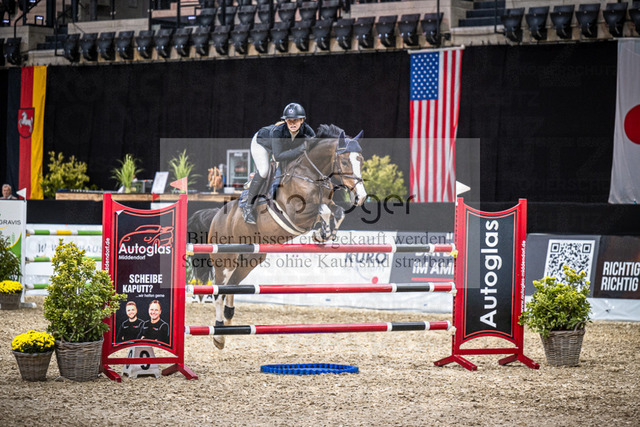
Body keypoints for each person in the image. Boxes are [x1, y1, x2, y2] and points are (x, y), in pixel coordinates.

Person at [242, 102, 316, 224]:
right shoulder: (278, 132)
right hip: (261, 143)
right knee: (264, 171)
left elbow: (314, 148)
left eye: (296, 120)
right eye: (289, 120)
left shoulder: (308, 131)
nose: (292, 123)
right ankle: (248, 207)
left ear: (302, 120)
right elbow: (278, 156)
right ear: (285, 120)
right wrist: (300, 149)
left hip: (282, 148)